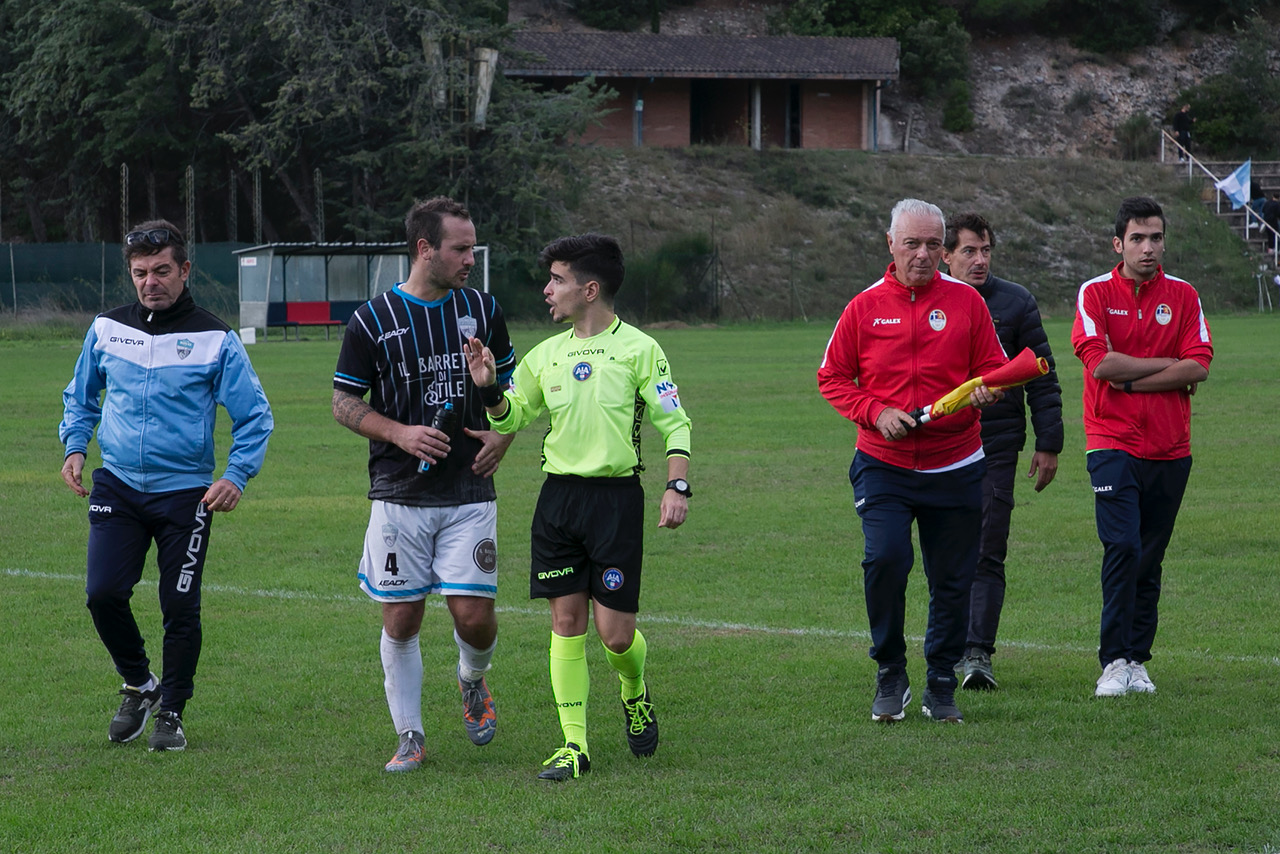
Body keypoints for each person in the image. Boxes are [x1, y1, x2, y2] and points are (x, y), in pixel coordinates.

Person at [463, 233, 691, 781]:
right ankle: (574, 746)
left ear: (590, 290)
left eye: (558, 280)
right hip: (558, 501)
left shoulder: (639, 349)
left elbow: (674, 421)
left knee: (614, 635)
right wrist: (491, 390)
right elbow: (512, 418)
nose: (548, 290)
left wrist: (676, 485)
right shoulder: (546, 354)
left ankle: (633, 690)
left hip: (615, 501)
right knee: (565, 623)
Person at [59, 220, 274, 752]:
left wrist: (235, 475)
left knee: (179, 606)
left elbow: (255, 417)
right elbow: (81, 397)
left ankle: (172, 712)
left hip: (187, 496)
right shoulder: (107, 328)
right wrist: (75, 447)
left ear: (184, 270)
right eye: (139, 273)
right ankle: (140, 683)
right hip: (119, 487)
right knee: (102, 593)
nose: (149, 282)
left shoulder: (215, 336)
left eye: (160, 270)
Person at [332, 197, 518, 772]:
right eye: (460, 249)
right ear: (424, 249)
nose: (470, 258)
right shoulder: (373, 319)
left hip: (468, 491)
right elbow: (343, 401)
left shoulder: (482, 309)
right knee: (402, 618)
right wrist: (401, 434)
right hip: (398, 494)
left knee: (473, 616)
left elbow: (516, 393)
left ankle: (471, 678)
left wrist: (502, 437)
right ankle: (410, 736)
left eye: (471, 247)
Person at [818, 199, 1007, 725]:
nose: (922, 254)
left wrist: (989, 390)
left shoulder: (968, 303)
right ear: (891, 244)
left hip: (957, 464)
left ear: (943, 249)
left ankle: (941, 682)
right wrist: (876, 412)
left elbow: (992, 368)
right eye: (912, 244)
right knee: (885, 560)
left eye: (932, 245)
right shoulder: (863, 306)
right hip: (884, 464)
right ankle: (890, 673)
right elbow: (832, 377)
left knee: (953, 579)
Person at [1071, 196, 1213, 697]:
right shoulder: (1094, 293)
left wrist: (1134, 373)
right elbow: (1101, 365)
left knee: (1149, 557)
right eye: (1137, 238)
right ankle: (1112, 661)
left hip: (1172, 447)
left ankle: (1137, 659)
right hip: (1111, 442)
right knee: (1123, 547)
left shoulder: (1184, 295)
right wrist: (1162, 365)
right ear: (1119, 243)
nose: (1148, 247)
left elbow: (1198, 364)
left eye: (1155, 237)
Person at [941, 213, 1064, 691]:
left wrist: (1048, 441)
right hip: (938, 449)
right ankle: (944, 648)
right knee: (945, 552)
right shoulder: (930, 304)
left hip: (995, 446)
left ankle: (977, 655)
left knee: (988, 547)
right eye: (969, 251)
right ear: (946, 254)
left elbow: (1043, 373)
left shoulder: (1015, 302)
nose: (979, 260)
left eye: (986, 250)